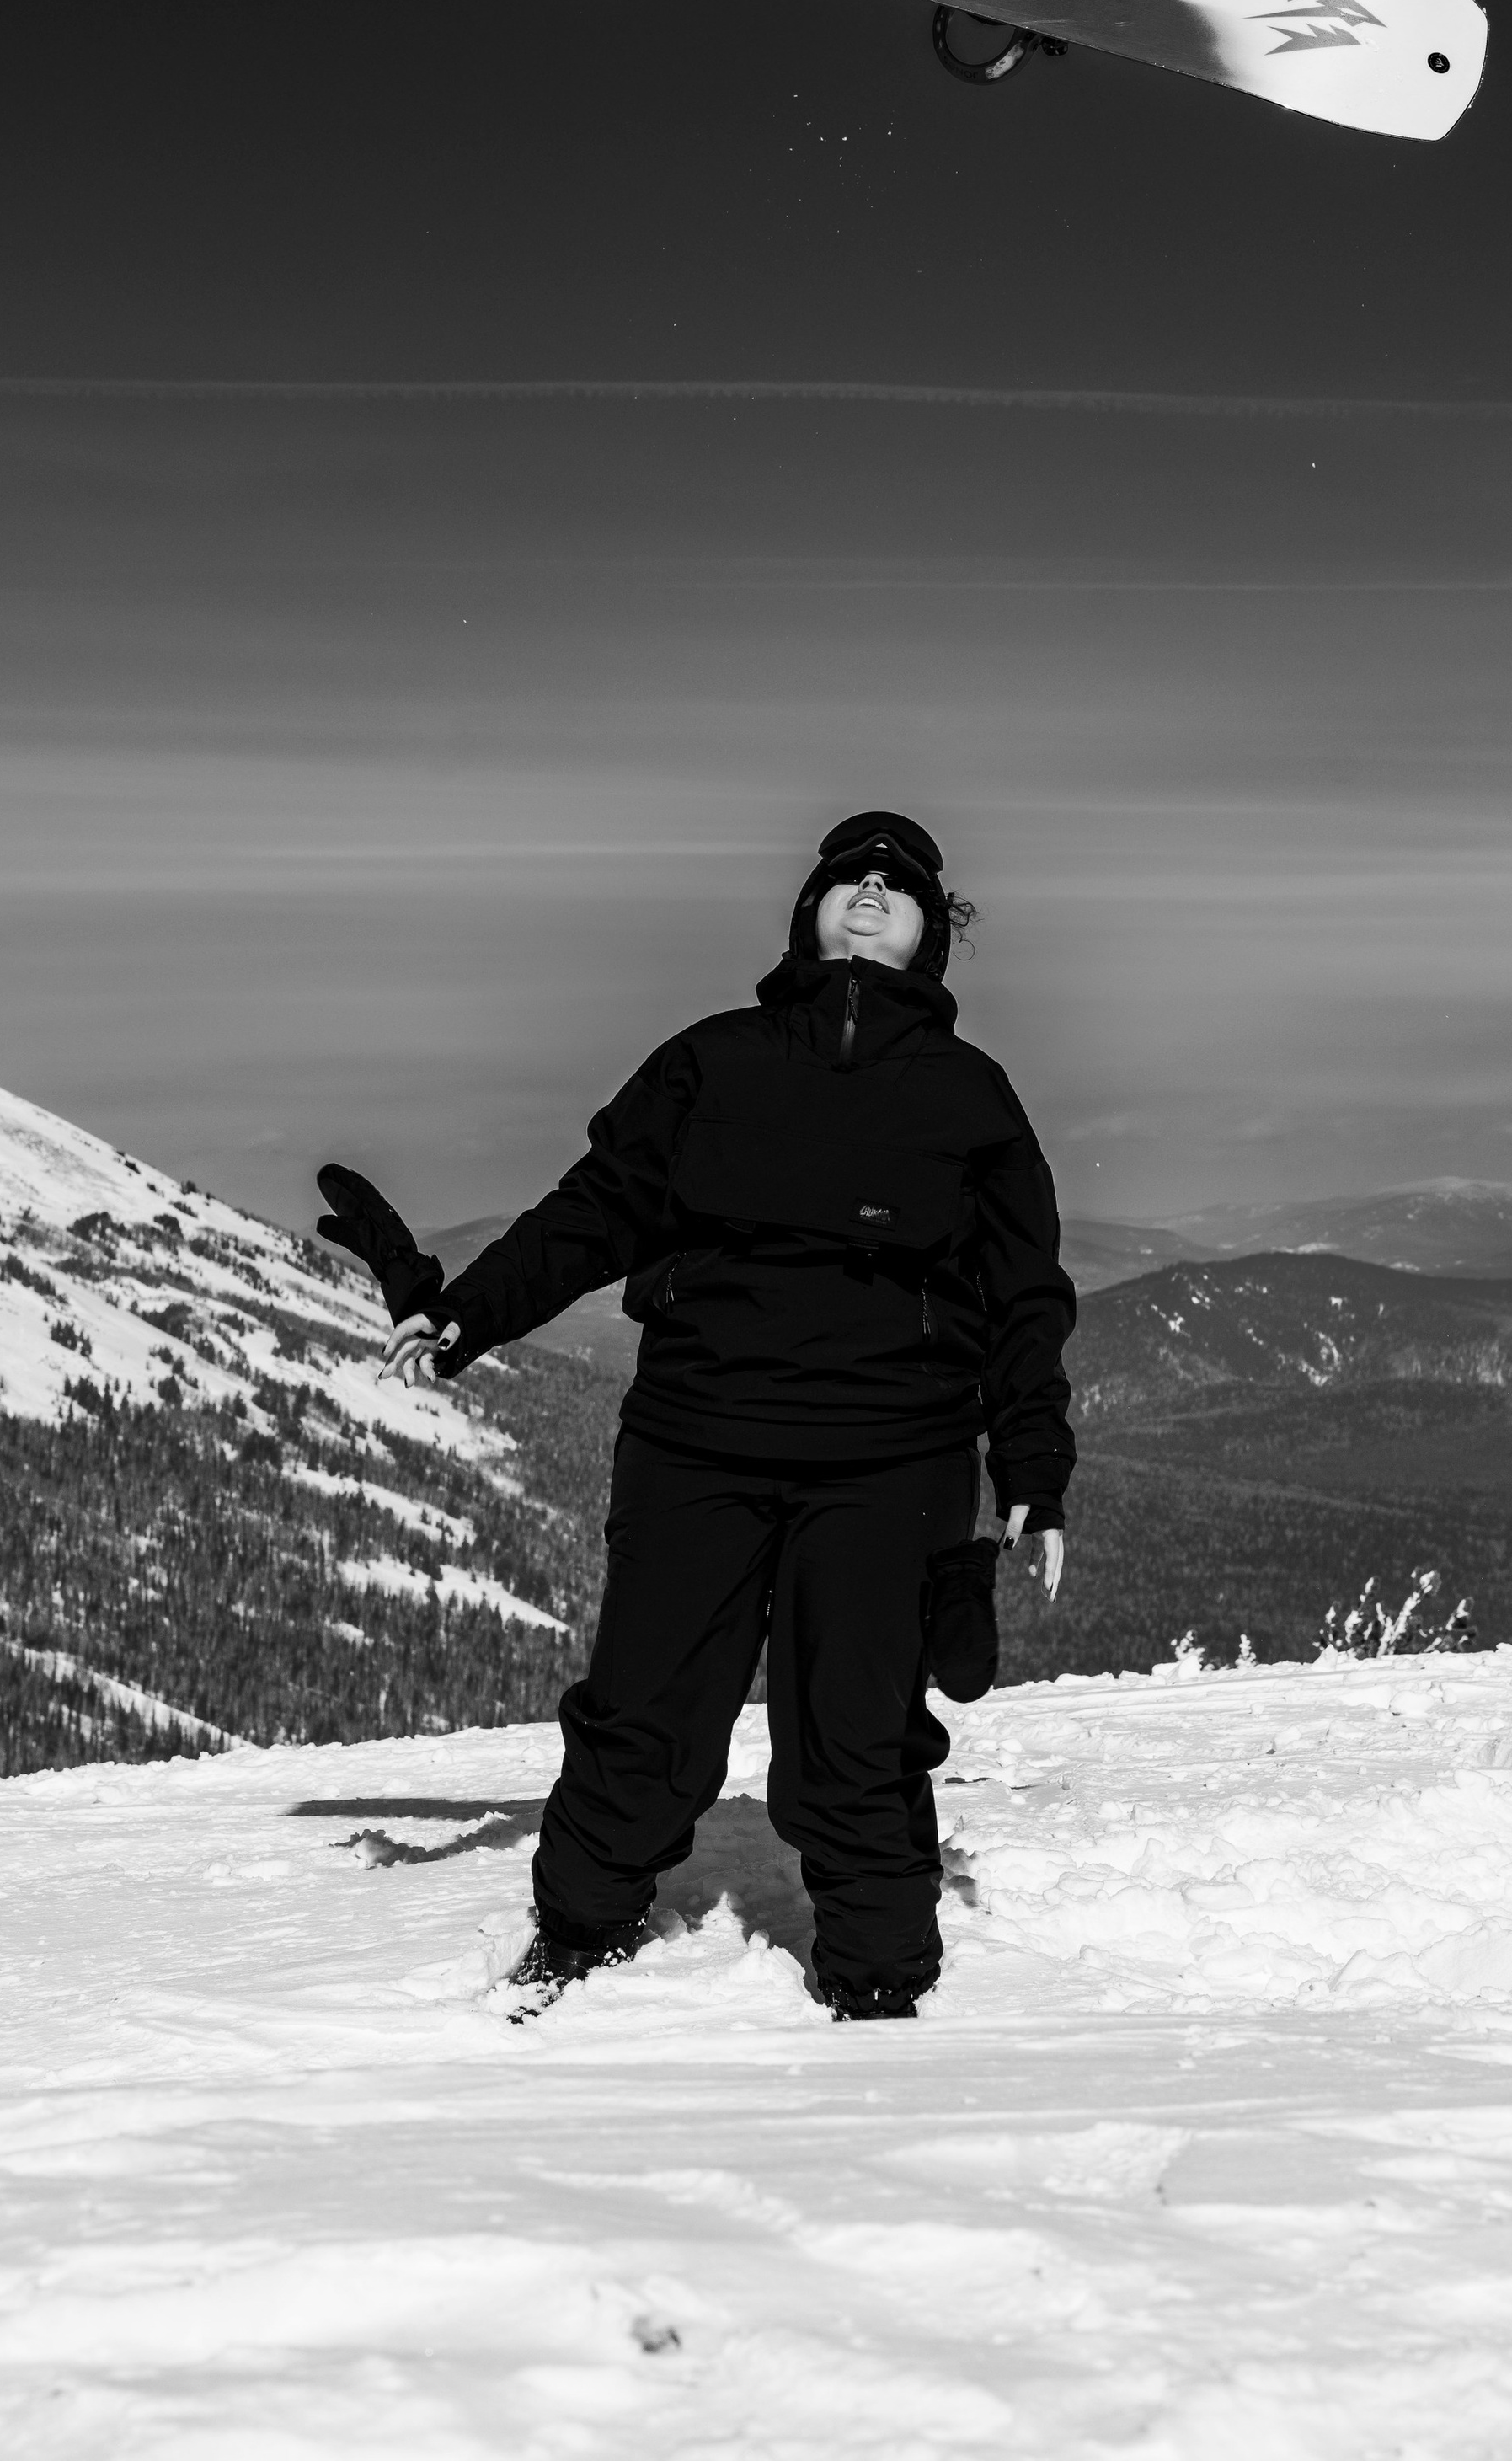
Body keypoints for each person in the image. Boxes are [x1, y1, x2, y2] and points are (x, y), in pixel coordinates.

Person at [336, 811, 1075, 2020]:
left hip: (892, 1463)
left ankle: (885, 1986)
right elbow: (596, 1212)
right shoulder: (711, 1060)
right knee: (645, 1718)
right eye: (848, 879)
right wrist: (466, 1317)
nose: (872, 892)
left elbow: (1023, 1294)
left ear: (933, 935)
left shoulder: (971, 1095)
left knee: (856, 1741)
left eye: (899, 886)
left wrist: (1035, 1468)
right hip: (698, 1440)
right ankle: (574, 1937)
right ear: (810, 915)